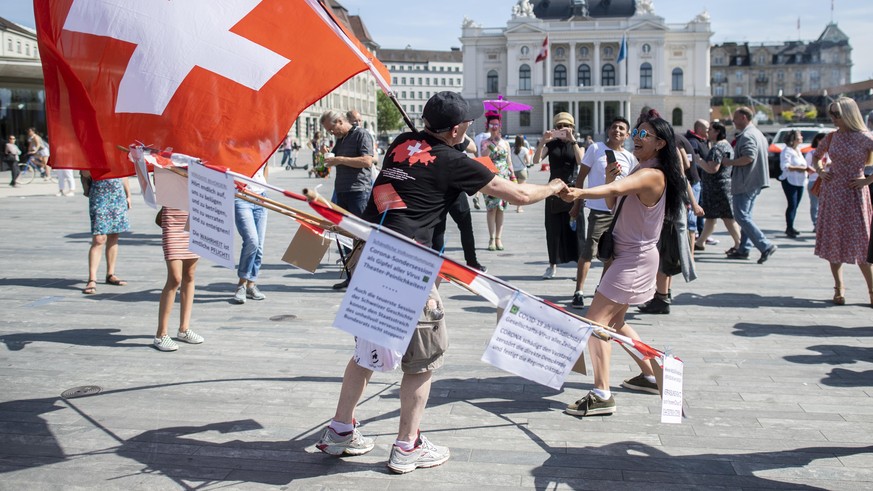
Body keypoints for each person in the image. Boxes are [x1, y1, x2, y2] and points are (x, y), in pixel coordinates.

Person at [315, 91, 567, 473]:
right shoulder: (454, 162)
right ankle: (407, 446)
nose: (473, 126)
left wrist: (454, 143)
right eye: (468, 122)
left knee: (365, 352)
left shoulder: (401, 144)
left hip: (371, 254)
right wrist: (553, 187)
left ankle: (340, 431)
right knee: (422, 361)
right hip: (407, 266)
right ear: (455, 128)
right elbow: (517, 192)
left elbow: (428, 165)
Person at [558, 116, 686, 416]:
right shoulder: (641, 169)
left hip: (633, 261)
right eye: (637, 132)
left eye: (644, 134)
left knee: (595, 324)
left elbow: (616, 192)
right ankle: (653, 375)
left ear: (660, 143)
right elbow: (617, 204)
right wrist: (609, 182)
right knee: (614, 324)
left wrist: (580, 193)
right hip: (630, 258)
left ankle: (602, 394)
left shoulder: (653, 174)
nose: (636, 137)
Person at [810, 97, 873, 306]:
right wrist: (821, 171)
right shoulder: (831, 137)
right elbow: (816, 156)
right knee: (834, 240)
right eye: (832, 114)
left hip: (855, 193)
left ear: (849, 113)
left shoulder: (865, 138)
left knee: (863, 243)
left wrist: (868, 180)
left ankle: (872, 290)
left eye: (837, 114)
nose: (834, 118)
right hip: (834, 193)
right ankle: (839, 287)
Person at [569, 117, 637, 309]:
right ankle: (579, 291)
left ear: (627, 135)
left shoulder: (630, 158)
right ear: (608, 130)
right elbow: (580, 177)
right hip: (599, 210)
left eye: (622, 129)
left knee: (612, 254)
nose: (617, 131)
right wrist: (576, 203)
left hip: (619, 212)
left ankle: (602, 290)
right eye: (614, 127)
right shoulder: (596, 149)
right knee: (589, 250)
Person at [320, 110, 375, 290]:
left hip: (359, 191)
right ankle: (352, 276)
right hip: (342, 191)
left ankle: (365, 279)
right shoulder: (341, 139)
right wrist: (326, 154)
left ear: (340, 121)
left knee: (361, 236)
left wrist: (340, 159)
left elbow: (367, 161)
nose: (331, 133)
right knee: (344, 236)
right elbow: (332, 162)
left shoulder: (362, 135)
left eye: (331, 129)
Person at [722, 107, 777, 264]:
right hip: (754, 181)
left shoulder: (747, 135)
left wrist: (729, 162)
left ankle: (765, 245)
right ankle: (744, 248)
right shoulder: (757, 133)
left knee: (741, 216)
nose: (733, 121)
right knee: (745, 216)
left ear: (744, 118)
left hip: (746, 181)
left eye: (736, 118)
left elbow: (749, 157)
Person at [533, 112, 584, 279]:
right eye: (559, 126)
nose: (563, 129)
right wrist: (542, 141)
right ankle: (552, 265)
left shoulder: (578, 144)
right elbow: (535, 161)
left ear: (572, 127)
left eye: (566, 126)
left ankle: (578, 267)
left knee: (576, 230)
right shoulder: (552, 145)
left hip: (572, 190)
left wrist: (573, 140)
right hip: (553, 190)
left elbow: (581, 162)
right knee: (553, 229)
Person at [431, 133, 487, 272]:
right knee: (464, 227)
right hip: (454, 188)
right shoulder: (454, 135)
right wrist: (463, 132)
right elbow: (473, 148)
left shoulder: (435, 135)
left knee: (439, 229)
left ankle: (437, 263)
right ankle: (471, 262)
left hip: (438, 188)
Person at [153, 207, 204, 351]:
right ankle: (161, 334)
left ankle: (184, 328)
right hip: (173, 216)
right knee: (175, 278)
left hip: (195, 213)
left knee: (189, 274)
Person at [693, 121, 741, 252]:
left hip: (717, 188)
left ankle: (739, 243)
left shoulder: (717, 148)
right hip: (721, 186)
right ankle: (700, 242)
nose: (708, 133)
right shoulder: (727, 145)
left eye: (711, 131)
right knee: (711, 217)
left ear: (717, 132)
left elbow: (712, 168)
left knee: (727, 217)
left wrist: (699, 161)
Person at [82, 174, 131, 295]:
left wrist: (128, 195)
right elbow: (84, 172)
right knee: (99, 238)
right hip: (99, 194)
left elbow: (124, 174)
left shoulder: (118, 154)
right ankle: (92, 278)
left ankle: (110, 273)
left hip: (117, 194)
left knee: (114, 235)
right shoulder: (91, 154)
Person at [233, 162, 269, 304]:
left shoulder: (262, 145)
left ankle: (251, 284)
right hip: (241, 196)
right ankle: (241, 284)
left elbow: (266, 166)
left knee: (259, 246)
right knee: (252, 241)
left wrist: (264, 187)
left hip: (260, 197)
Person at [479, 112, 514, 251]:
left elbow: (509, 162)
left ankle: (499, 238)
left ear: (500, 126)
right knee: (491, 209)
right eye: (492, 124)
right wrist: (491, 144)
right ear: (488, 126)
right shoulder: (485, 142)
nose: (494, 127)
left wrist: (514, 178)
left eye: (496, 124)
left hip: (504, 179)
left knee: (501, 209)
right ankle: (491, 238)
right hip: (490, 178)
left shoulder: (505, 143)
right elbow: (484, 156)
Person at [778, 130, 807, 238]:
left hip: (800, 181)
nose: (802, 137)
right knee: (792, 204)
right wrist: (800, 168)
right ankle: (789, 227)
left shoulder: (798, 150)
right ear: (793, 139)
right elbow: (785, 166)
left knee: (796, 205)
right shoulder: (787, 151)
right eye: (799, 136)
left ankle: (791, 226)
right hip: (790, 180)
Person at [805, 132, 828, 232]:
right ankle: (816, 224)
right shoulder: (811, 153)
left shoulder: (829, 153)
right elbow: (807, 167)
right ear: (819, 141)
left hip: (826, 181)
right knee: (815, 204)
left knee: (825, 205)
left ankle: (823, 224)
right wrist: (819, 169)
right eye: (824, 139)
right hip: (814, 180)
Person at [510, 135, 531, 213]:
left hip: (513, 172)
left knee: (514, 190)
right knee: (521, 190)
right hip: (522, 171)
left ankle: (512, 201)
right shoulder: (525, 150)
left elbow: (510, 161)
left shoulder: (512, 150)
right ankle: (519, 208)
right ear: (522, 141)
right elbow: (528, 162)